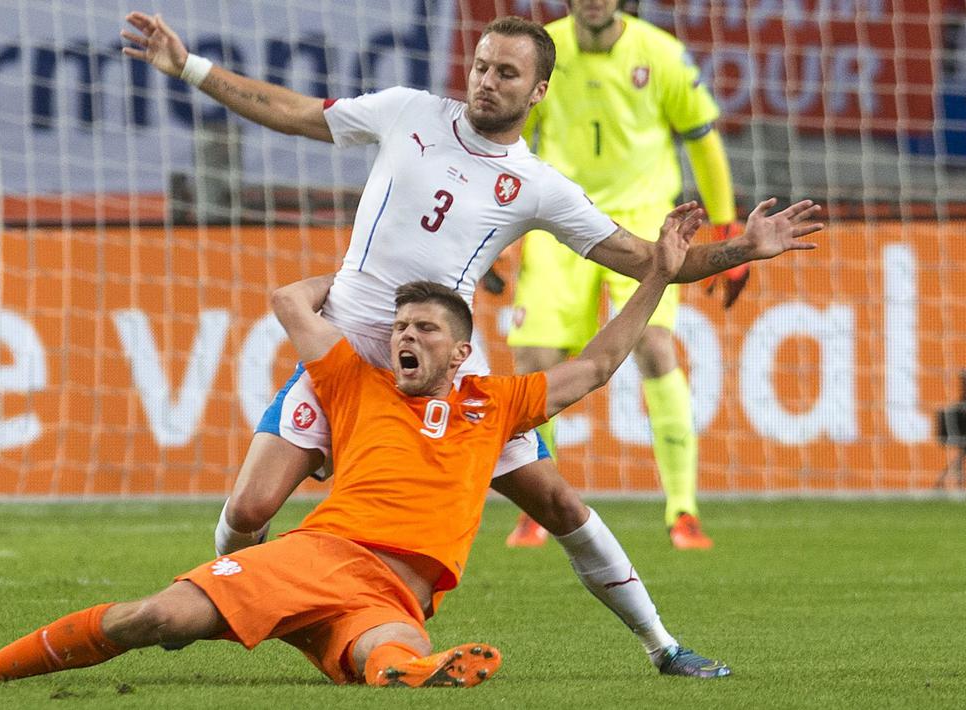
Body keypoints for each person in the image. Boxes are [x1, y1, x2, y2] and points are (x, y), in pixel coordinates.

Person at [119, 11, 821, 673]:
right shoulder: (407, 112)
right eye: (482, 66)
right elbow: (296, 112)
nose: (487, 80)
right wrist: (189, 68)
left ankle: (663, 646)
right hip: (344, 358)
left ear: (538, 91)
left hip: (445, 377)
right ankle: (220, 597)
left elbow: (646, 259)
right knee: (248, 510)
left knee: (559, 505)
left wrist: (742, 249)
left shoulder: (537, 186)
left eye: (507, 73)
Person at [0, 205, 727, 688]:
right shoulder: (353, 380)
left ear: (461, 352)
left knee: (391, 652)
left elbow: (598, 363)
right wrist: (359, 283)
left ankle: (414, 673)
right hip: (317, 557)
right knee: (152, 617)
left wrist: (658, 274)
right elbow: (289, 300)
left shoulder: (499, 404)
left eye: (423, 329)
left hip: (396, 594)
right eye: (399, 327)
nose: (405, 337)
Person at [504, 0, 747, 550]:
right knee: (535, 359)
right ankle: (536, 507)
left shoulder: (660, 53)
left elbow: (701, 137)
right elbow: (509, 139)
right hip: (561, 214)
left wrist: (726, 224)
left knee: (655, 346)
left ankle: (683, 511)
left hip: (643, 218)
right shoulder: (541, 50)